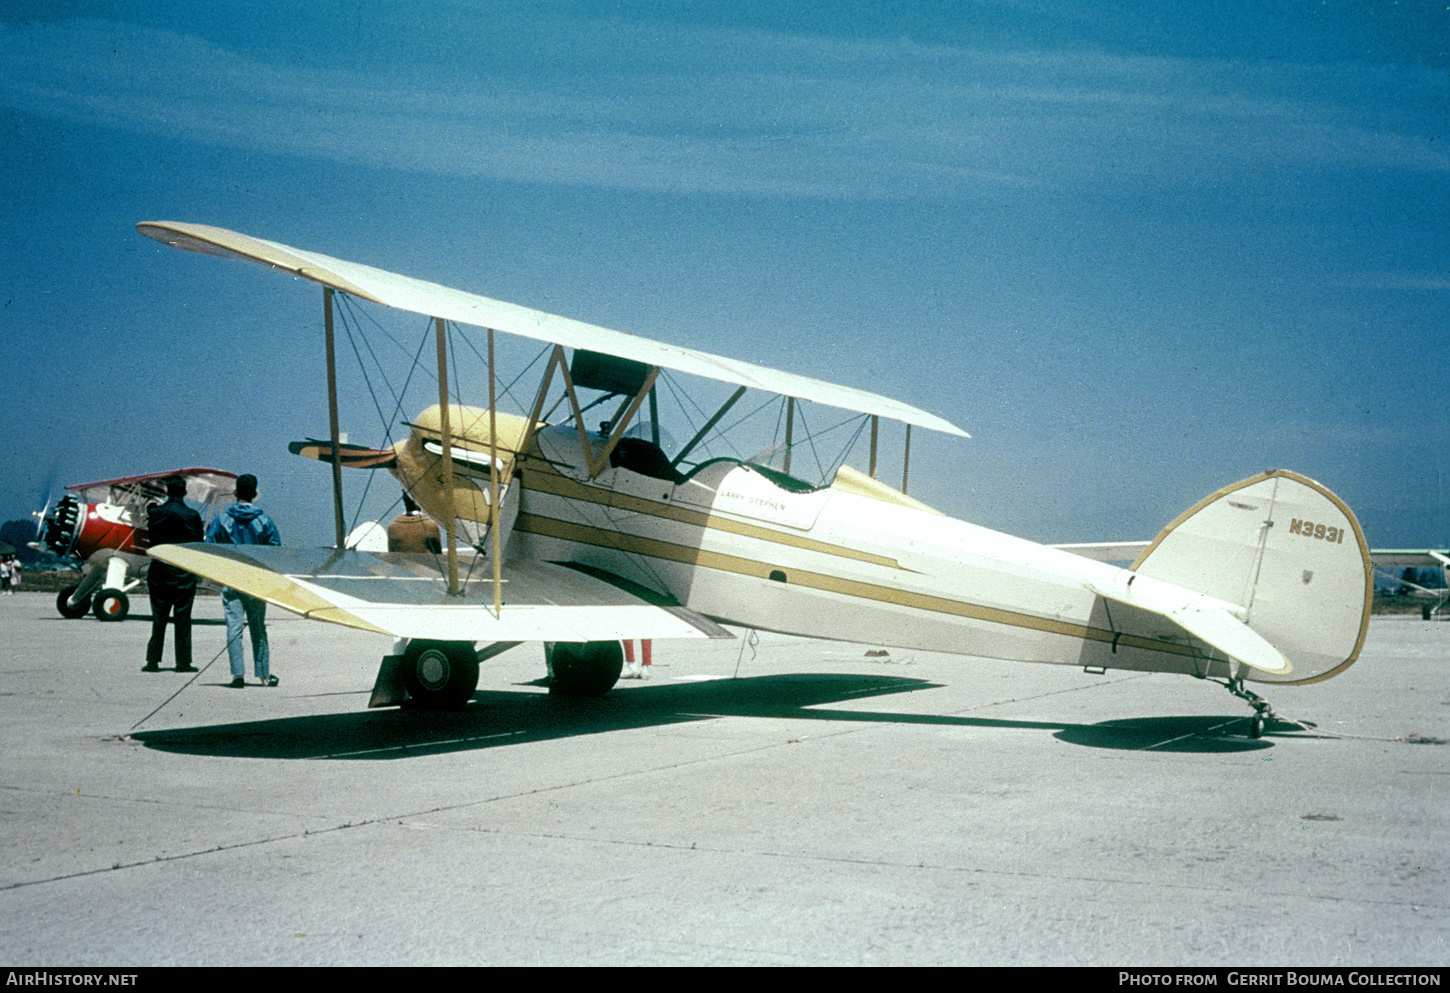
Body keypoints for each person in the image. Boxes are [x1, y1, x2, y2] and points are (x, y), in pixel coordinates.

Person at [206, 474, 281, 688]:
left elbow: (209, 545)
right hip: (256, 582)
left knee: (233, 628)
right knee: (258, 628)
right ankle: (264, 675)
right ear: (255, 494)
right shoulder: (264, 520)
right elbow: (276, 550)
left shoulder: (222, 519)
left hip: (231, 580)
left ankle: (237, 675)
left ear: (236, 492)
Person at [144, 476, 204, 672]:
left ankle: (153, 661)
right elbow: (198, 545)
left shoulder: (155, 513)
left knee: (158, 617)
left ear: (167, 491)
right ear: (184, 492)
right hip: (182, 571)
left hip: (159, 569)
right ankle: (183, 662)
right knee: (183, 618)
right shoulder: (192, 515)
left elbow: (151, 539)